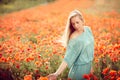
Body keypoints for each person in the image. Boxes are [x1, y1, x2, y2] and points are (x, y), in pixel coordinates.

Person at [47, 9, 94, 80]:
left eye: (77, 22)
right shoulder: (74, 38)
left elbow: (89, 49)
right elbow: (68, 58)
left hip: (88, 68)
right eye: (73, 23)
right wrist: (56, 74)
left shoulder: (88, 30)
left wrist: (90, 67)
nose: (75, 25)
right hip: (78, 72)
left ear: (82, 20)